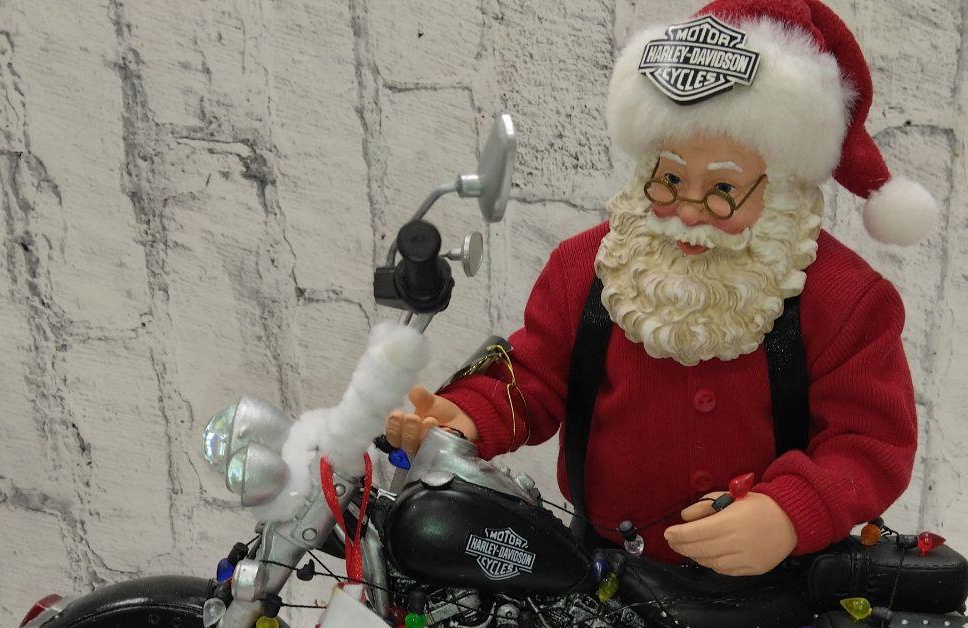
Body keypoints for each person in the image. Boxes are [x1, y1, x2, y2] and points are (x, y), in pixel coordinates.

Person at [385, 0, 937, 577]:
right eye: (670, 178)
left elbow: (868, 442)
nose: (689, 211)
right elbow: (535, 374)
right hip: (604, 566)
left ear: (783, 187)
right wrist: (465, 417)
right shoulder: (588, 267)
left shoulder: (846, 300)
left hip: (773, 581)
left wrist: (790, 512)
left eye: (723, 189)